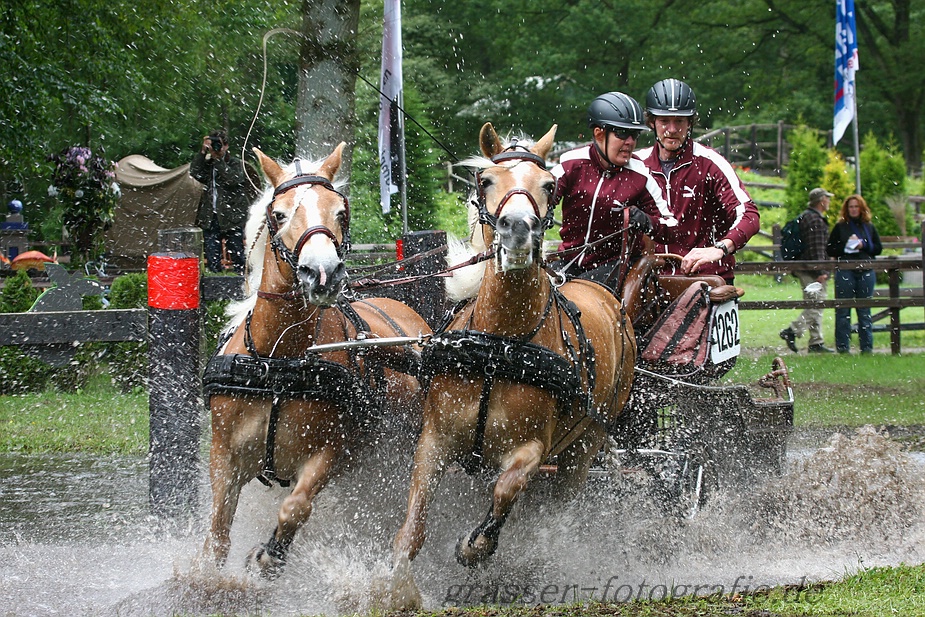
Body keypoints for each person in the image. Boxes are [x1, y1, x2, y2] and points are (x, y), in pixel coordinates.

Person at [636, 78, 761, 284]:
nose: (672, 129)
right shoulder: (637, 165)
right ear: (652, 122)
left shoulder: (709, 163)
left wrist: (719, 248)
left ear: (690, 123)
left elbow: (748, 214)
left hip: (707, 279)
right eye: (665, 121)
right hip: (651, 283)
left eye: (680, 121)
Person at [550, 91, 678, 289]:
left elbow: (671, 226)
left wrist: (646, 221)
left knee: (580, 296)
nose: (630, 142)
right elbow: (540, 198)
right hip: (569, 262)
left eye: (634, 135)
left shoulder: (642, 176)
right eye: (621, 133)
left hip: (617, 267)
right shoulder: (571, 164)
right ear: (599, 134)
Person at [779, 188, 836, 353]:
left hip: (804, 268)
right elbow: (816, 249)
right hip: (812, 271)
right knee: (817, 304)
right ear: (822, 200)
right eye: (827, 198)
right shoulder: (815, 220)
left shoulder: (805, 217)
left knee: (814, 303)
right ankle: (792, 331)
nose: (829, 202)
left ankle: (816, 342)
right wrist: (821, 272)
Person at [826, 194, 882, 354]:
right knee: (843, 310)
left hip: (865, 270)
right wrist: (846, 245)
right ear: (846, 209)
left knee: (864, 310)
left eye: (856, 206)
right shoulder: (840, 227)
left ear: (861, 208)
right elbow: (830, 249)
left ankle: (866, 348)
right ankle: (843, 347)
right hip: (845, 270)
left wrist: (862, 245)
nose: (854, 209)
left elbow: (878, 248)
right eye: (851, 206)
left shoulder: (868, 227)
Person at [191, 129, 252, 273]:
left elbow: (233, 179)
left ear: (226, 146)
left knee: (237, 252)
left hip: (232, 215)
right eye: (215, 145)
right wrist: (202, 153)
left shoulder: (235, 163)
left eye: (220, 145)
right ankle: (215, 281)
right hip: (211, 216)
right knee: (212, 253)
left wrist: (219, 161)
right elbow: (195, 172)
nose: (218, 148)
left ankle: (241, 279)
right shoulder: (208, 165)